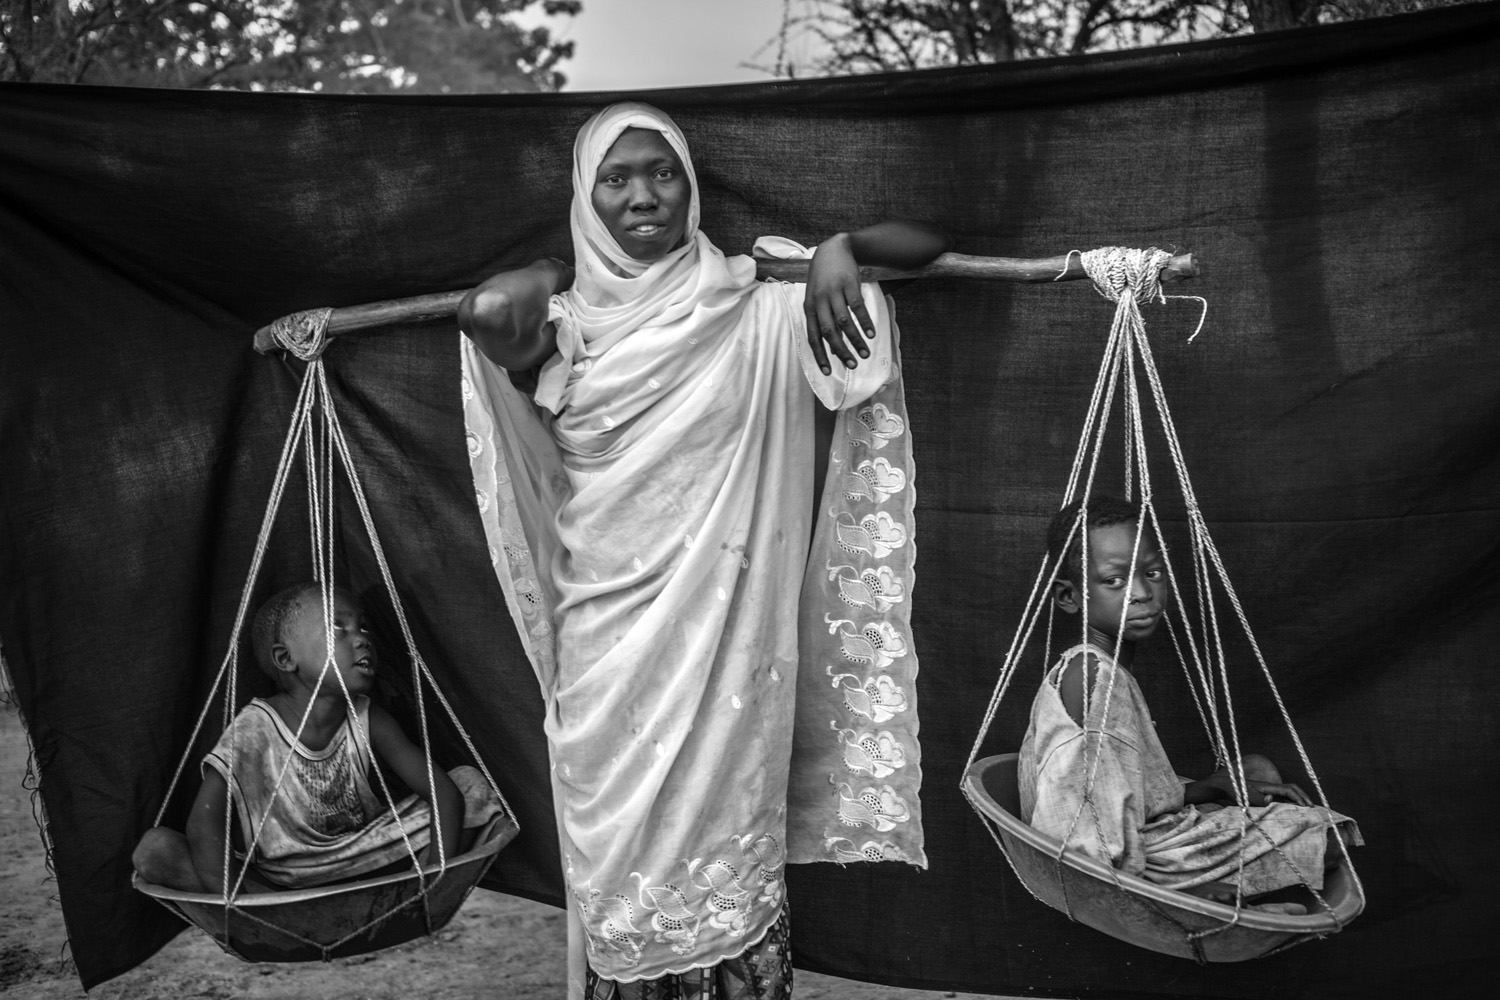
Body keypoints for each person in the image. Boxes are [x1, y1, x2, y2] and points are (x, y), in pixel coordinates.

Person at [457, 102, 948, 999]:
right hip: (608, 653)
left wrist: (839, 247)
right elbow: (485, 309)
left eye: (663, 172)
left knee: (726, 884)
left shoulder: (757, 305)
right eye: (616, 178)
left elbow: (927, 243)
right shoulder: (564, 328)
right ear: (584, 197)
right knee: (620, 890)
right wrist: (554, 264)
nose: (644, 194)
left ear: (691, 184)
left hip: (726, 651)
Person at [1018, 497, 1361, 909]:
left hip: (1142, 835)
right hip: (1119, 869)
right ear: (1070, 597)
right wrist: (1179, 897)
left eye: (1153, 573)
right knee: (1329, 835)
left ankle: (1221, 868)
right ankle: (1195, 898)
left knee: (1254, 771)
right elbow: (1083, 830)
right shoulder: (1094, 679)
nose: (1143, 593)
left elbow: (1116, 790)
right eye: (1114, 581)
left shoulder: (1100, 669)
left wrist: (1205, 789)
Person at [133, 583, 503, 893]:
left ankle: (403, 895)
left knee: (470, 785)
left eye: (364, 628)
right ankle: (278, 915)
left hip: (366, 859)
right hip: (283, 880)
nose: (361, 640)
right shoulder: (255, 726)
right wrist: (241, 907)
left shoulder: (369, 718)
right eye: (338, 629)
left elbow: (443, 793)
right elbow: (203, 825)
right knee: (155, 850)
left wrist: (435, 877)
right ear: (285, 658)